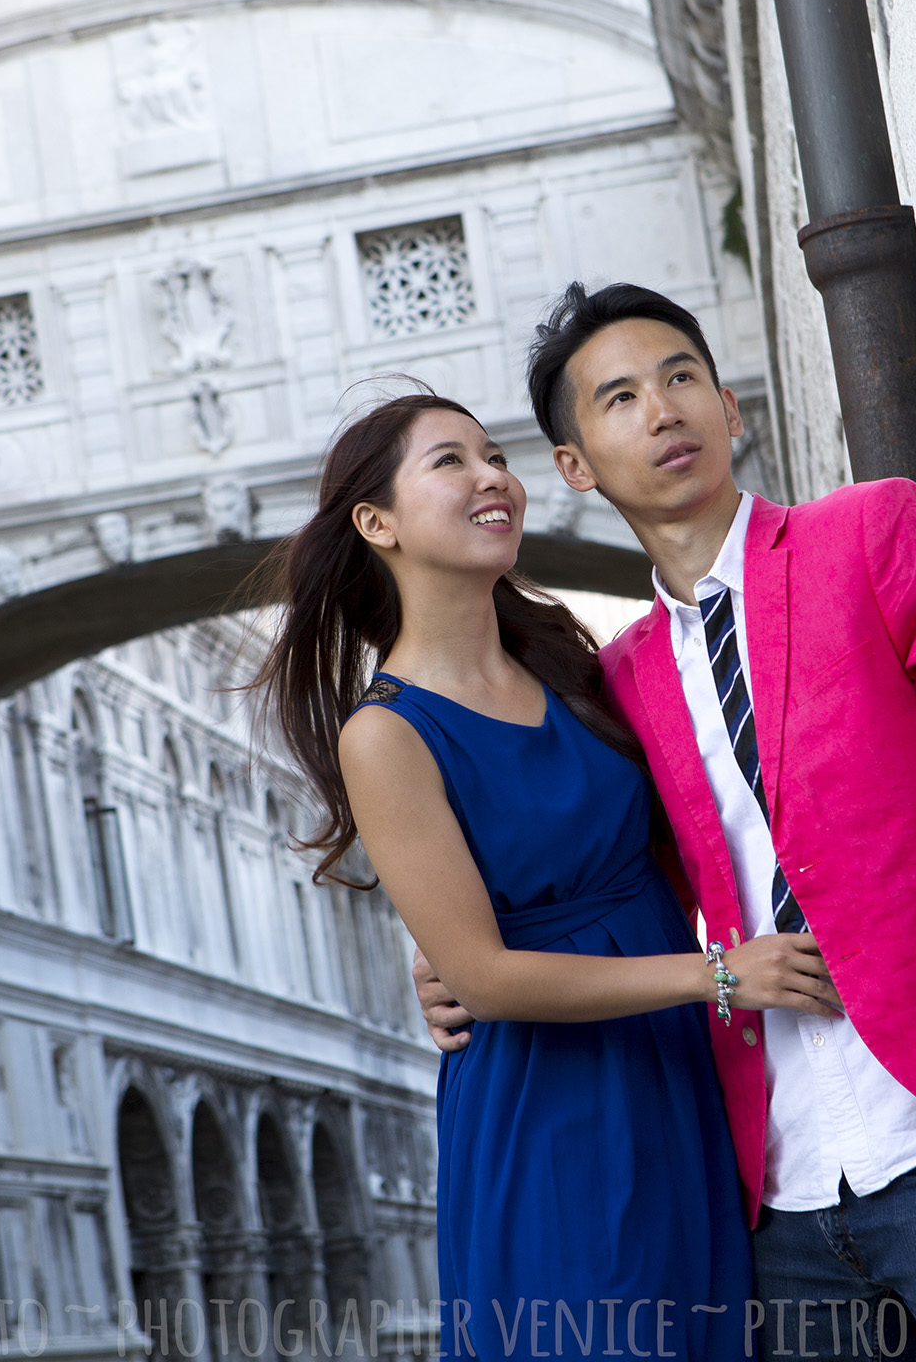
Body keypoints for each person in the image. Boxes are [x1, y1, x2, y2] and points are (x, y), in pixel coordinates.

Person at [414, 284, 916, 1360]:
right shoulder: (617, 686)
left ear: (731, 407)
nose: (663, 410)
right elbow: (598, 877)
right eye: (619, 397)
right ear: (574, 466)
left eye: (681, 377)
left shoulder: (872, 534)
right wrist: (459, 961)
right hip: (773, 1188)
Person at [254, 390, 841, 1361]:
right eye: (451, 461)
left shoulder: (568, 658)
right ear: (377, 522)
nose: (492, 477)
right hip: (549, 1109)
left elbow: (685, 838)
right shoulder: (385, 733)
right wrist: (719, 974)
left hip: (678, 1071)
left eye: (495, 456)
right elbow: (481, 976)